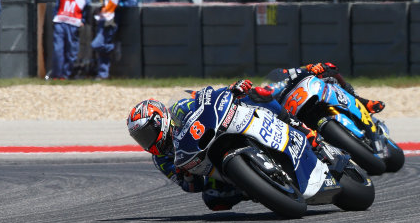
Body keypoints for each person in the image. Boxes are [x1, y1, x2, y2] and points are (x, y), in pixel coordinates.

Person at [127, 79, 322, 212]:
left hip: (221, 129)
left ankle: (300, 128)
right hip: (210, 166)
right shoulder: (161, 158)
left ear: (160, 120)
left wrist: (231, 89)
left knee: (255, 94)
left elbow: (205, 97)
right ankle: (254, 187)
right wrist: (186, 176)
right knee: (213, 200)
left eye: (147, 133)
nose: (147, 140)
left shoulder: (179, 108)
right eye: (141, 138)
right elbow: (189, 187)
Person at [91, 0, 137, 80]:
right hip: (103, 20)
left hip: (111, 22)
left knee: (97, 45)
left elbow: (132, 2)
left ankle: (112, 48)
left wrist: (119, 6)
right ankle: (103, 74)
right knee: (102, 51)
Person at [50, 0, 91, 80]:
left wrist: (82, 21)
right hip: (61, 23)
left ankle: (66, 74)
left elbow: (87, 12)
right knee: (58, 49)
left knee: (71, 51)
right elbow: (57, 8)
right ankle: (57, 74)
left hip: (74, 26)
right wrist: (55, 19)